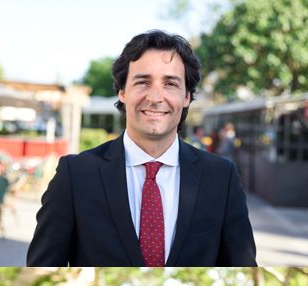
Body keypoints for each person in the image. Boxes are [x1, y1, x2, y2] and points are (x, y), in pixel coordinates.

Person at [28, 30, 255, 267]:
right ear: (122, 92)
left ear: (187, 96)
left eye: (170, 83)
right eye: (143, 82)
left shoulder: (221, 177)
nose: (155, 97)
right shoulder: (75, 175)